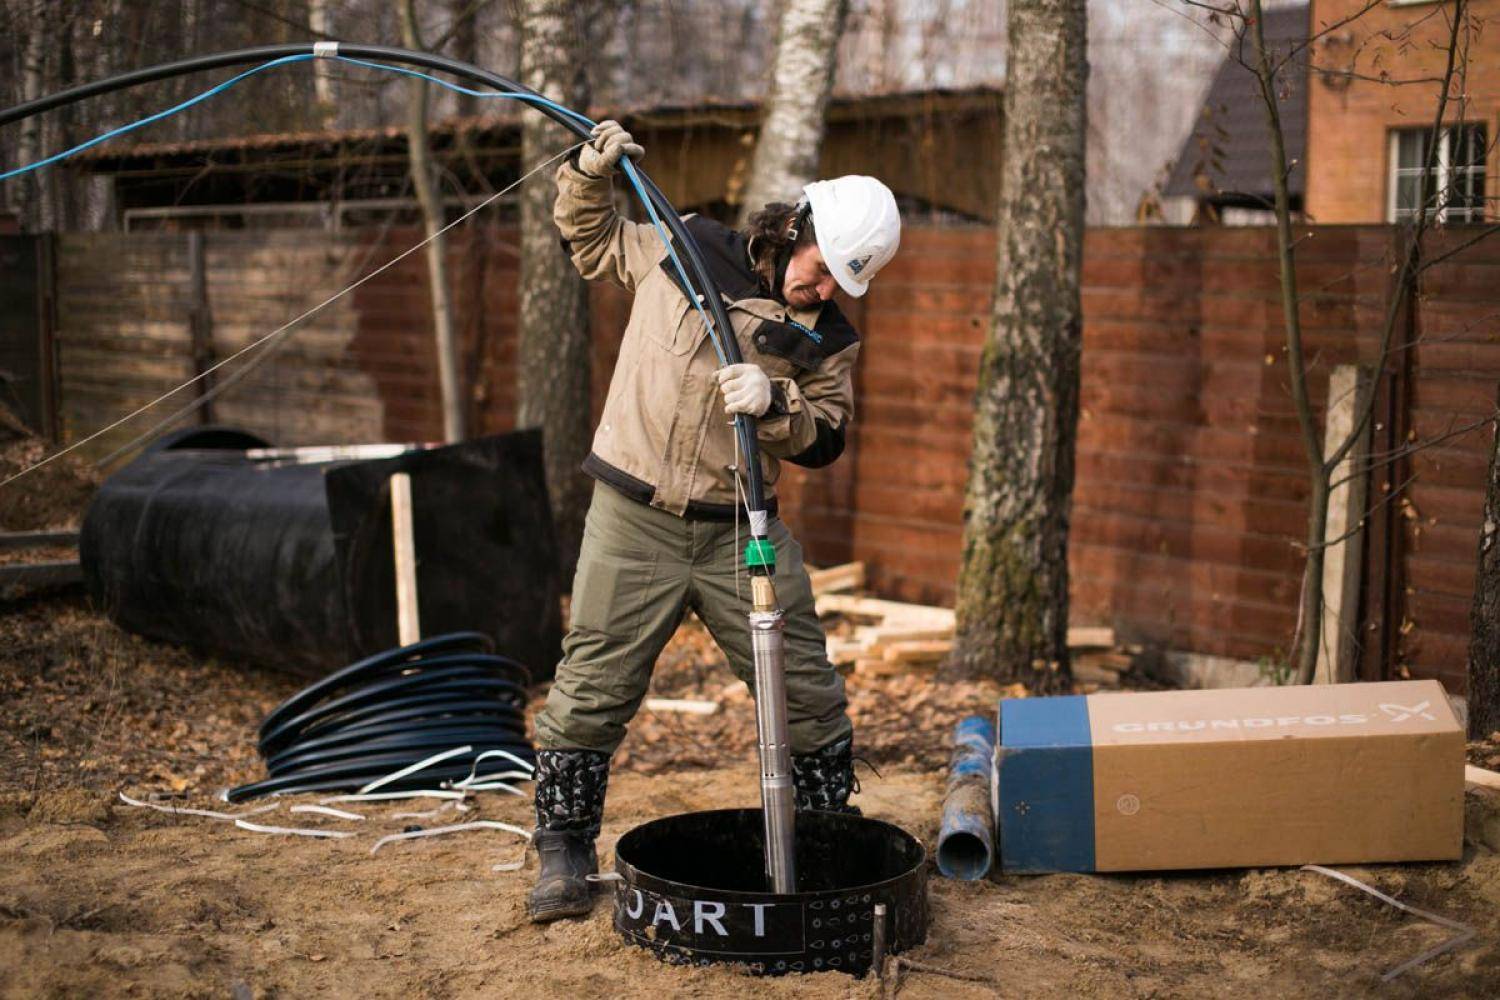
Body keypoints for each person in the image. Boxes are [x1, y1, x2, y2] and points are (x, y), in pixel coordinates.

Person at [528, 121, 902, 922]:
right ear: (797, 229)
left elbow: (827, 434)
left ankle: (828, 834)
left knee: (806, 693)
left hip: (743, 530)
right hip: (634, 516)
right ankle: (561, 847)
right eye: (824, 269)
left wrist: (778, 402)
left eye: (844, 281)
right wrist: (589, 172)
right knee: (592, 688)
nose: (828, 289)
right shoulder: (686, 245)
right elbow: (590, 241)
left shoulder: (827, 335)